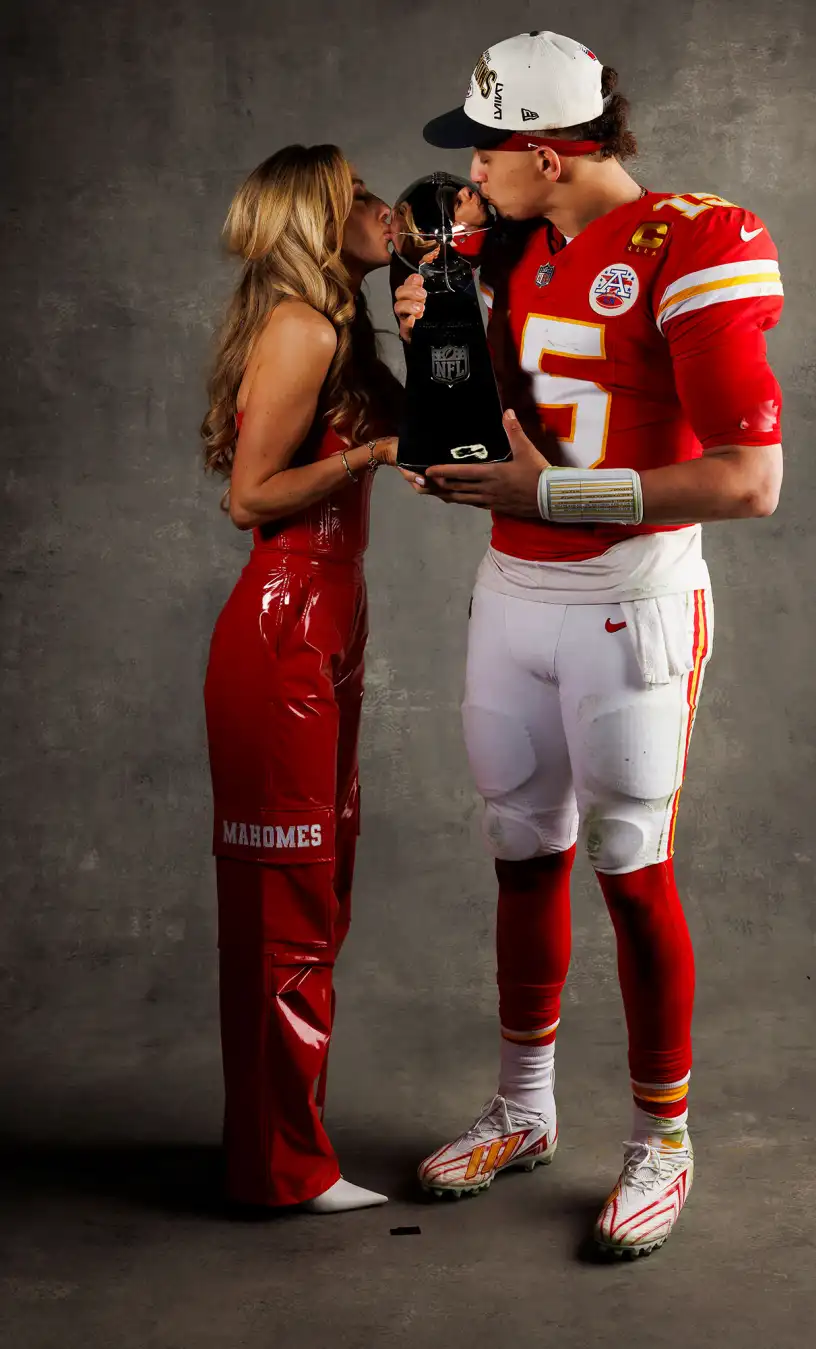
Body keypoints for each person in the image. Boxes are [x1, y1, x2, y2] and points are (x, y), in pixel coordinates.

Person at [394, 31, 783, 1257]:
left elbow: (748, 478)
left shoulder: (695, 241)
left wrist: (547, 496)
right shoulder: (514, 240)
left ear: (550, 155)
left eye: (489, 154)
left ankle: (661, 1136)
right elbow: (504, 399)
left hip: (628, 596)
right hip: (510, 593)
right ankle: (524, 1106)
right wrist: (437, 317)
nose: (473, 176)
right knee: (519, 851)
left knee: (628, 865)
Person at [201, 144, 403, 1213]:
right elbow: (250, 497)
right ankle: (281, 1167)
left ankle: (285, 1147)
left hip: (326, 622)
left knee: (318, 898)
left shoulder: (341, 326)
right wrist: (367, 459)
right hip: (282, 624)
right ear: (315, 222)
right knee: (285, 904)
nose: (379, 207)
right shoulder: (302, 325)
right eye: (355, 196)